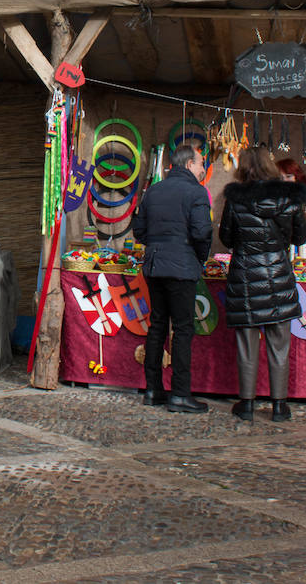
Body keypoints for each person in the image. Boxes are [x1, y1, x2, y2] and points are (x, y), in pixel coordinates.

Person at [218, 147, 306, 423]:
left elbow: (226, 238)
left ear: (244, 168)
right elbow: (300, 238)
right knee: (279, 344)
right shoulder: (289, 198)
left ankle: (246, 404)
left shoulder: (235, 199)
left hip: (246, 276)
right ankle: (279, 407)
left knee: (247, 344)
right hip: (279, 275)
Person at [128, 142, 213, 414]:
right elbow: (202, 233)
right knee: (183, 329)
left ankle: (153, 390)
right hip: (182, 267)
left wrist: (157, 243)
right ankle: (180, 393)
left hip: (154, 266)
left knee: (157, 327)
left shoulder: (153, 191)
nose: (203, 169)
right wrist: (198, 258)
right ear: (188, 164)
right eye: (201, 163)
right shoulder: (197, 193)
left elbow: (138, 231)